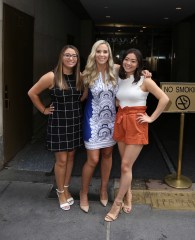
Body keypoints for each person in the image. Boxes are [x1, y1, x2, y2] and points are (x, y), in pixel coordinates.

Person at [79, 40, 151, 213]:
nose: (102, 55)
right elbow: (81, 96)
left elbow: (133, 71)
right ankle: (83, 192)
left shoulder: (117, 69)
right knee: (93, 159)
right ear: (93, 54)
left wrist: (146, 73)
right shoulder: (85, 74)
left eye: (105, 52)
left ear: (109, 54)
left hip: (112, 119)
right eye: (99, 51)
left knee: (108, 153)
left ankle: (104, 189)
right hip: (92, 119)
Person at [104, 48, 169, 221]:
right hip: (121, 120)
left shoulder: (145, 80)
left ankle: (117, 203)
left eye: (134, 61)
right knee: (127, 166)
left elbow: (165, 99)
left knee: (125, 165)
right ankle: (128, 194)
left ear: (139, 64)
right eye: (127, 59)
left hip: (136, 123)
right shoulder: (120, 75)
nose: (129, 63)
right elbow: (106, 64)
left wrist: (151, 118)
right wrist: (119, 101)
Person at [28, 45, 84, 211]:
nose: (71, 59)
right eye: (67, 55)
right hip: (58, 122)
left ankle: (66, 188)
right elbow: (32, 93)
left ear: (77, 59)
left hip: (74, 121)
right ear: (61, 57)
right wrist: (44, 110)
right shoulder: (51, 76)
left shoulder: (79, 76)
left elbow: (83, 95)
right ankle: (60, 192)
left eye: (74, 56)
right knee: (62, 160)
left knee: (72, 157)